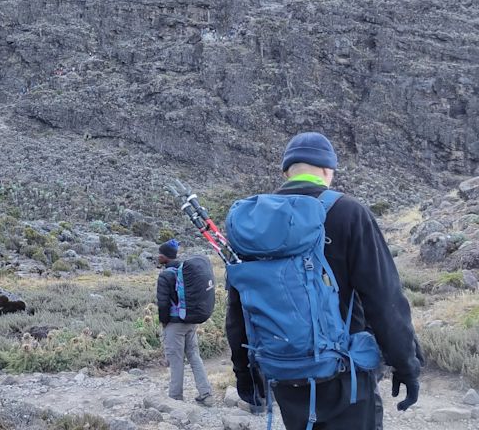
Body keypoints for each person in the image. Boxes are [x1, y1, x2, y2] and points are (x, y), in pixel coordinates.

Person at [225, 132, 421, 430]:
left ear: (286, 172)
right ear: (329, 171)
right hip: (347, 375)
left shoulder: (253, 224)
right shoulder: (350, 212)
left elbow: (239, 306)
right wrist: (406, 364)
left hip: (285, 374)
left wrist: (245, 373)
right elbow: (384, 299)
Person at [157, 238, 214, 405]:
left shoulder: (165, 276)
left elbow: (163, 304)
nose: (158, 256)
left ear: (165, 257)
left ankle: (175, 398)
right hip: (190, 320)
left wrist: (164, 323)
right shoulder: (186, 272)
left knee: (176, 360)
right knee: (194, 356)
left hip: (175, 324)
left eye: (160, 254)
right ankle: (206, 393)